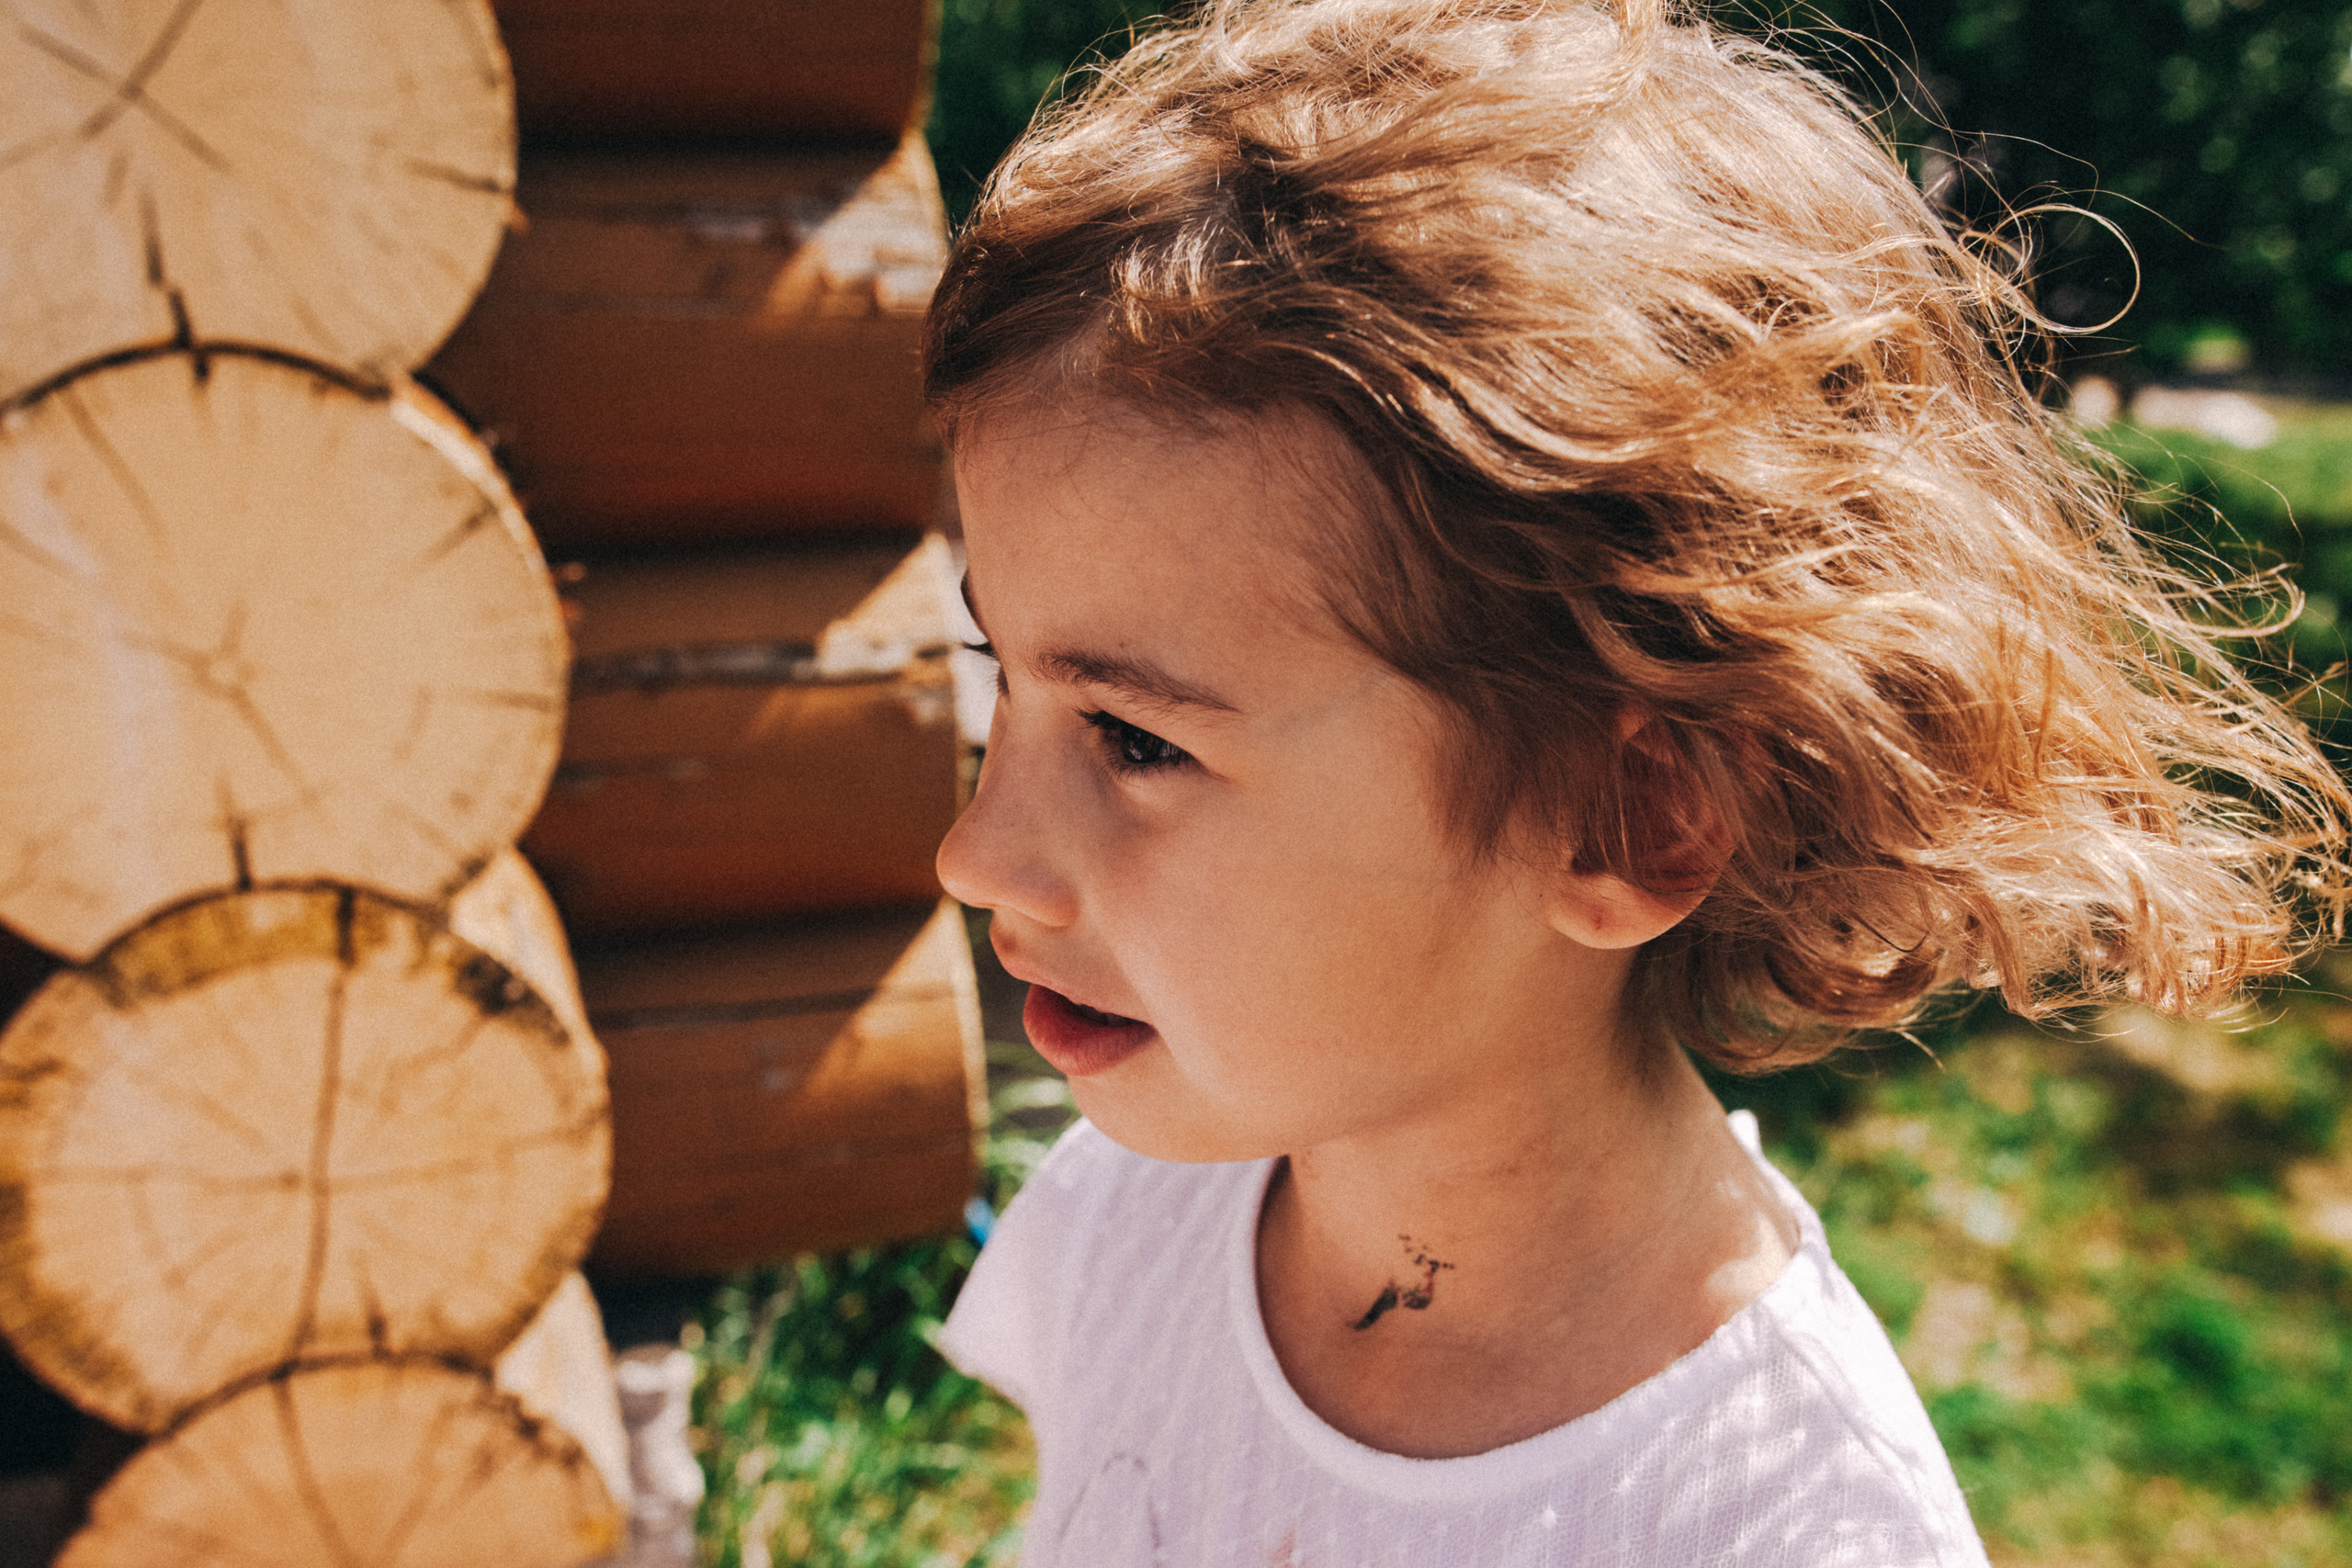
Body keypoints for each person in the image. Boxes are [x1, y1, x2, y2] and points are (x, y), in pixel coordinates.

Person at [923, 2, 2351, 1562]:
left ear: (1629, 820)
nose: (976, 854)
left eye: (1136, 738)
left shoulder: (1782, 1529)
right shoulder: (1138, 1215)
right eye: (1000, 671)